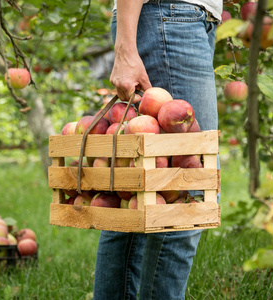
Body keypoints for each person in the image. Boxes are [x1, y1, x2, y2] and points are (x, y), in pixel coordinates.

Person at [93, 0, 222, 299]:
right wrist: (125, 48)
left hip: (178, 22)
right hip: (171, 22)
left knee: (135, 193)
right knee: (185, 195)